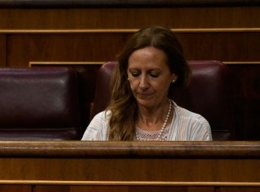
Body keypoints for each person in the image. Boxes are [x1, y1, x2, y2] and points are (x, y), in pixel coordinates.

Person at [82, 26, 211, 141]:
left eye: (153, 74)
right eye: (135, 74)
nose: (143, 84)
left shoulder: (195, 127)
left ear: (174, 74)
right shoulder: (103, 124)